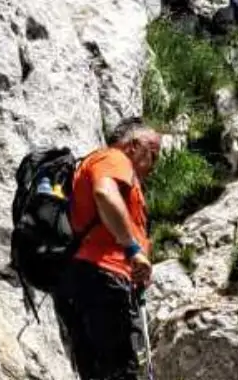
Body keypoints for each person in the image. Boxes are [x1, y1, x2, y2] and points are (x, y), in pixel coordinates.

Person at [53, 119, 162, 380]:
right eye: (154, 152)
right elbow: (104, 193)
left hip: (86, 281)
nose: (155, 163)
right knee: (120, 372)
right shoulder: (114, 158)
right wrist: (133, 249)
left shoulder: (106, 165)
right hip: (103, 277)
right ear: (134, 145)